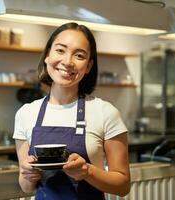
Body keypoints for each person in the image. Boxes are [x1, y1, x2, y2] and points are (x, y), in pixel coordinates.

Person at [13, 22, 130, 200]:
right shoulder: (25, 113)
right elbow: (26, 186)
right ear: (47, 55)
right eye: (60, 50)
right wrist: (28, 174)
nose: (67, 62)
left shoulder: (105, 112)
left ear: (89, 66)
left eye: (79, 55)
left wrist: (87, 172)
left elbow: (123, 185)